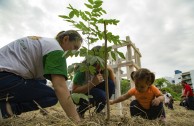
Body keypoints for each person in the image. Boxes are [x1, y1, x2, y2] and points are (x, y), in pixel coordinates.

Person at [0, 30, 83, 122]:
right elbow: (60, 87)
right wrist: (76, 121)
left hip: (5, 77)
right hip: (4, 77)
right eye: (75, 47)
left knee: (42, 81)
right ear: (65, 39)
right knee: (52, 96)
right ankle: (5, 109)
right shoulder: (57, 50)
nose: (74, 53)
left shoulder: (45, 43)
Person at [71, 46, 115, 118]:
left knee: (109, 84)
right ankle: (80, 111)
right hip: (77, 96)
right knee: (101, 95)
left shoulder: (102, 69)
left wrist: (110, 71)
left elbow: (112, 86)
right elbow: (74, 91)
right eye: (101, 61)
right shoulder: (82, 69)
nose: (103, 64)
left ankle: (98, 113)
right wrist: (92, 83)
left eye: (105, 61)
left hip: (92, 91)